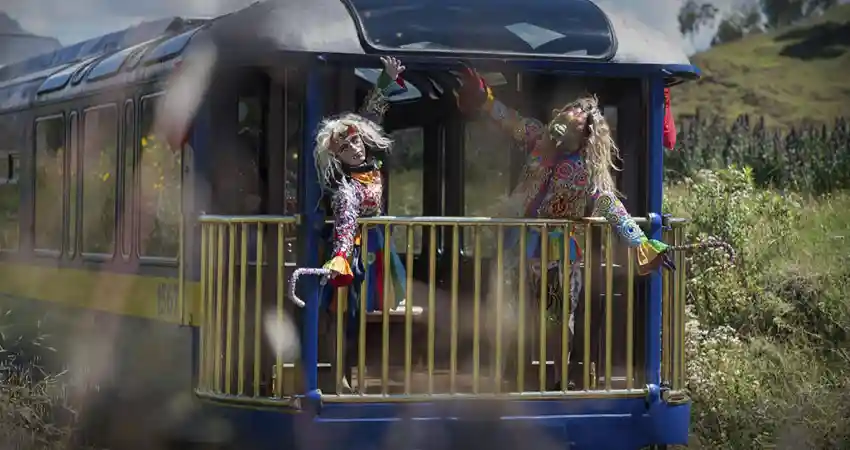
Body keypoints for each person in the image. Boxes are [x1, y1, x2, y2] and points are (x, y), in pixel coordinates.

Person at [454, 65, 674, 389]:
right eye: (566, 116)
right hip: (521, 245)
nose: (565, 124)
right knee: (507, 310)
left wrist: (641, 243)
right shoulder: (539, 138)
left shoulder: (586, 170)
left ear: (586, 133)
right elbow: (512, 121)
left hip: (558, 254)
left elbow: (610, 205)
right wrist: (486, 100)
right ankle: (503, 378)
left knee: (555, 318)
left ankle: (558, 378)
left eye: (575, 120)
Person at [314, 56, 420, 392]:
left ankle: (355, 372)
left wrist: (386, 79)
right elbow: (346, 221)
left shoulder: (369, 164)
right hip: (352, 250)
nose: (355, 149)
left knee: (360, 314)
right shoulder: (346, 188)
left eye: (356, 141)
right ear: (337, 156)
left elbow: (371, 114)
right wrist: (340, 255)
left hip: (376, 247)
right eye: (345, 147)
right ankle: (340, 374)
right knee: (344, 312)